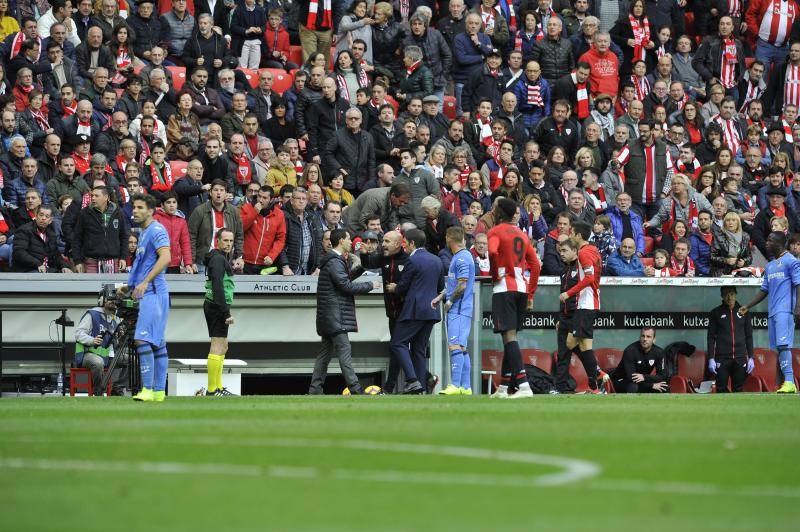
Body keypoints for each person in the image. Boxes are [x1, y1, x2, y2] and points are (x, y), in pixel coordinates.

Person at [310, 228, 381, 395]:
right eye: (349, 239)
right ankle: (356, 390)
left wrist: (363, 259)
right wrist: (370, 285)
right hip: (336, 316)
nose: (351, 242)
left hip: (329, 316)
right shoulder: (335, 261)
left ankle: (314, 390)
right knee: (344, 353)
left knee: (324, 355)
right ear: (341, 241)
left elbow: (345, 278)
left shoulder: (334, 260)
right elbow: (346, 286)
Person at [117, 194, 171, 402]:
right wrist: (129, 287)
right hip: (150, 292)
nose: (135, 211)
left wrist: (146, 281)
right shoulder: (145, 232)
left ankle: (147, 389)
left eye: (140, 207)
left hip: (155, 292)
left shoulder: (156, 230)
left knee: (142, 338)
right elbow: (144, 263)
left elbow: (166, 257)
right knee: (157, 342)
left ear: (151, 210)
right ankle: (158, 392)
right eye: (134, 207)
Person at [487, 197, 541, 398]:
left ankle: (524, 385)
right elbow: (535, 265)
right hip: (521, 289)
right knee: (510, 338)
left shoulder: (495, 231)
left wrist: (495, 274)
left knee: (509, 337)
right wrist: (531, 294)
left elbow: (492, 251)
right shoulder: (522, 234)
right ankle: (503, 388)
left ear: (499, 213)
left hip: (504, 289)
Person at [740, 231, 800, 393]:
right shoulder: (770, 265)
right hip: (773, 312)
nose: (766, 243)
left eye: (770, 240)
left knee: (783, 345)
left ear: (780, 243)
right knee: (778, 348)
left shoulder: (791, 261)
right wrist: (748, 305)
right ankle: (783, 384)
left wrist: (797, 307)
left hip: (785, 310)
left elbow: (798, 284)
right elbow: (764, 290)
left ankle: (789, 381)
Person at [387, 228, 443, 394]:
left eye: (405, 243)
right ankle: (421, 389)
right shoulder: (436, 260)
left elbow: (402, 287)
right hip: (432, 311)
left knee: (398, 343)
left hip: (414, 310)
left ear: (412, 243)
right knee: (419, 349)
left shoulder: (412, 261)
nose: (404, 247)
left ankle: (412, 380)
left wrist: (395, 288)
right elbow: (440, 287)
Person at [433, 226, 476, 396]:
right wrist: (441, 296)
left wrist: (450, 301)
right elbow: (454, 283)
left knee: (454, 345)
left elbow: (462, 285)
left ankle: (455, 385)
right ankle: (466, 387)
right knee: (462, 347)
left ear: (448, 239)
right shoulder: (461, 257)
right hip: (462, 308)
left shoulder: (461, 259)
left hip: (458, 309)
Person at [73, 287, 128, 396]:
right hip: (88, 354)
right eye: (110, 299)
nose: (113, 301)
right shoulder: (92, 314)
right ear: (102, 300)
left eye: (115, 299)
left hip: (109, 356)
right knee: (98, 363)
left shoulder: (115, 318)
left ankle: (117, 388)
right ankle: (98, 391)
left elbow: (115, 341)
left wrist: (120, 336)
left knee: (131, 359)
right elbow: (78, 334)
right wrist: (92, 340)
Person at [203, 228, 236, 396]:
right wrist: (225, 312)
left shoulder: (219, 258)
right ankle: (211, 390)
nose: (228, 244)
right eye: (225, 240)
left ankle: (218, 387)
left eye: (231, 241)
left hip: (216, 305)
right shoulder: (217, 259)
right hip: (216, 307)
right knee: (217, 345)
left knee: (223, 346)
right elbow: (218, 287)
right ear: (218, 241)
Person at [72, 184, 128, 273]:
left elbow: (124, 236)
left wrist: (123, 257)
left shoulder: (118, 212)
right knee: (91, 287)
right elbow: (77, 238)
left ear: (106, 197)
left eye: (96, 196)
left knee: (112, 287)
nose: (93, 198)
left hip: (113, 261)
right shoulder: (84, 213)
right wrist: (78, 261)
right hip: (91, 261)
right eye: (92, 196)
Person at [707, 286, 754, 393]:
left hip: (740, 358)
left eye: (732, 294)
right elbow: (711, 337)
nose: (729, 297)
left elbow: (749, 336)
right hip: (722, 359)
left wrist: (751, 357)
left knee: (738, 390)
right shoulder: (715, 313)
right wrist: (711, 358)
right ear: (722, 296)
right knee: (721, 389)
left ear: (736, 294)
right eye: (726, 294)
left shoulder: (744, 311)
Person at [12, 204, 72, 273]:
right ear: (36, 216)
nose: (43, 218)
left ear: (50, 220)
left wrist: (64, 266)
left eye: (47, 216)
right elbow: (19, 252)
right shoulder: (24, 230)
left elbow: (56, 254)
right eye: (41, 215)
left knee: (67, 274)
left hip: (47, 270)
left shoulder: (51, 234)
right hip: (29, 269)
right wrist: (37, 264)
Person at [610, 327, 668, 393]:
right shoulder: (630, 350)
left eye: (648, 337)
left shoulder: (659, 352)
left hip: (642, 380)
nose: (645, 339)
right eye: (643, 336)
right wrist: (651, 385)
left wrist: (644, 377)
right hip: (621, 381)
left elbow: (663, 375)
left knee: (663, 387)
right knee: (633, 387)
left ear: (654, 339)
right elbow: (631, 377)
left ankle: (649, 403)